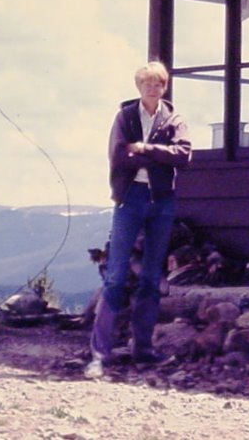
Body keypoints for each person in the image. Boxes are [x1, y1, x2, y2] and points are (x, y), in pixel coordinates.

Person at [85, 61, 191, 379]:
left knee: (151, 278)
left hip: (162, 201)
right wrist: (161, 154)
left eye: (157, 84)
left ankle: (142, 350)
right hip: (129, 200)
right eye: (147, 83)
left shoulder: (174, 119)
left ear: (164, 87)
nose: (152, 88)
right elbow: (118, 155)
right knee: (116, 277)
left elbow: (184, 155)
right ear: (138, 87)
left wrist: (145, 148)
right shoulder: (125, 117)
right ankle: (98, 356)